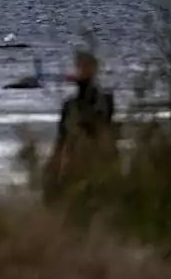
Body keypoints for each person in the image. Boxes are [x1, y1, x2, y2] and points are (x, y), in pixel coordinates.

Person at [44, 48, 117, 198]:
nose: (80, 71)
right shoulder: (70, 105)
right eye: (79, 67)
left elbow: (104, 128)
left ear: (94, 69)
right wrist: (53, 165)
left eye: (84, 67)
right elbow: (61, 139)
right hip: (75, 163)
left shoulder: (103, 101)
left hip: (98, 162)